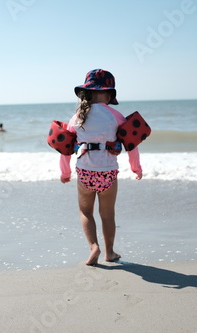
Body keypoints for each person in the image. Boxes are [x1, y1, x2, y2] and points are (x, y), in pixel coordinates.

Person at [60, 69, 143, 266]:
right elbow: (132, 145)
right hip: (108, 172)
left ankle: (93, 247)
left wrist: (65, 172)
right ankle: (110, 252)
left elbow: (65, 148)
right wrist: (136, 168)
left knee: (85, 212)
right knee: (107, 214)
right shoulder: (116, 116)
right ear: (108, 94)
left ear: (86, 93)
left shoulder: (77, 117)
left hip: (85, 172)